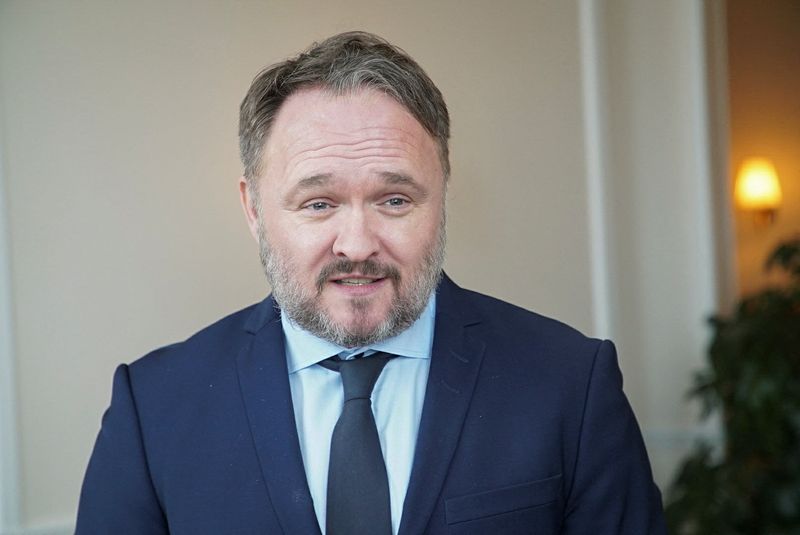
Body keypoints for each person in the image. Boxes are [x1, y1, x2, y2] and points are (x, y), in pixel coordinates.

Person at [76, 31, 666, 534]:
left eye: (394, 199)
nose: (357, 244)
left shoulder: (570, 384)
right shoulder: (151, 409)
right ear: (253, 208)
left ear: (443, 195)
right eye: (318, 203)